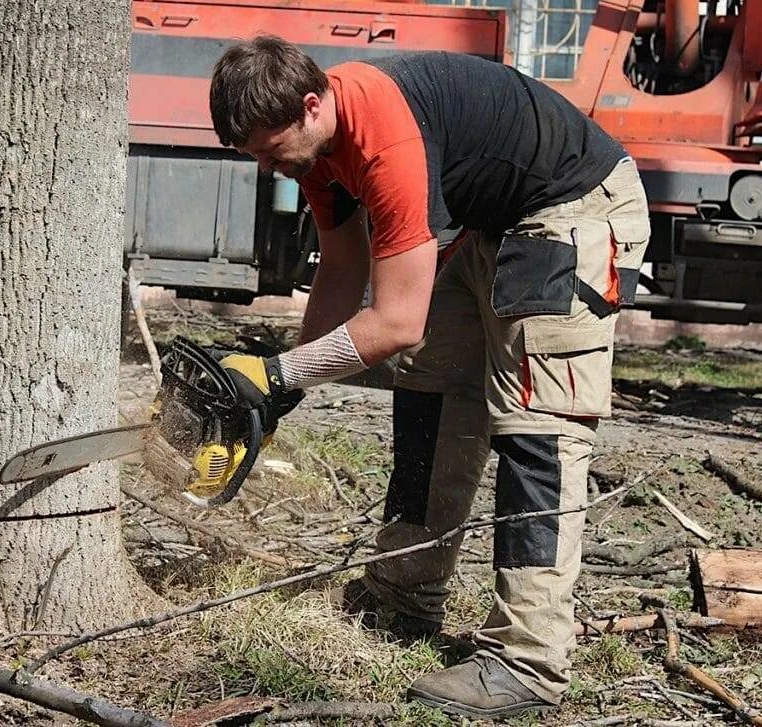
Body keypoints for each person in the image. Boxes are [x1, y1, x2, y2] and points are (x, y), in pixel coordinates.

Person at [209, 36, 649, 720]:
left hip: (571, 208)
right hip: (490, 225)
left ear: (311, 104)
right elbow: (343, 269)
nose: (269, 169)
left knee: (539, 424)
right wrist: (285, 387)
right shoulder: (320, 146)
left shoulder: (384, 136)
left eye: (270, 152)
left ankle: (528, 660)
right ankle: (406, 590)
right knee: (430, 388)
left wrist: (275, 369)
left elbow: (395, 321)